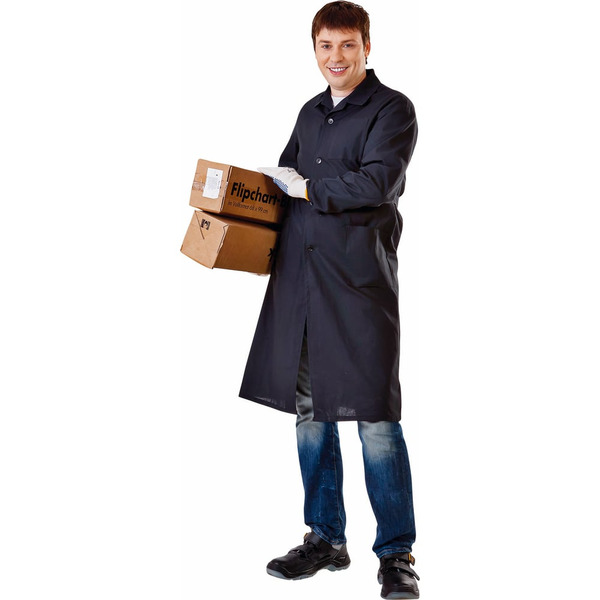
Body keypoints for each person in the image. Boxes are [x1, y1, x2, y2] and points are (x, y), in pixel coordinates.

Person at [239, 2, 420, 598]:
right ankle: (325, 538)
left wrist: (307, 188)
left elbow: (377, 182)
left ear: (367, 46)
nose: (336, 57)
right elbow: (283, 181)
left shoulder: (393, 109)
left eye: (347, 45)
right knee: (310, 413)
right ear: (314, 49)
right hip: (303, 280)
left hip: (359, 284)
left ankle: (396, 554)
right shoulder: (310, 111)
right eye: (325, 46)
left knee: (375, 419)